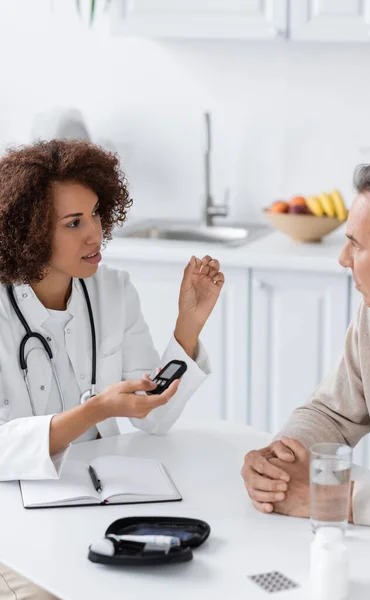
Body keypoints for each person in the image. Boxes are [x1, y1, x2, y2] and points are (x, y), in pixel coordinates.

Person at [0, 139, 225, 599]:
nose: (94, 234)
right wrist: (97, 410)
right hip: (14, 522)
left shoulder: (114, 292)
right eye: (74, 223)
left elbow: (156, 415)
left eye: (97, 214)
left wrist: (187, 327)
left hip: (96, 506)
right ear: (29, 229)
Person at [242, 159, 370, 532]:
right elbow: (332, 412)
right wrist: (280, 459)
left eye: (357, 246)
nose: (343, 259)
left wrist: (337, 500)